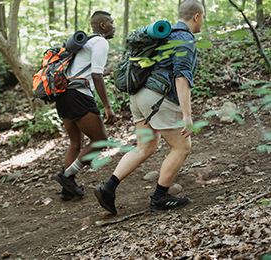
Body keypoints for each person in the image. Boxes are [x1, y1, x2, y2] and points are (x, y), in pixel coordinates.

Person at [94, 0, 205, 215]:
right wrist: (187, 115)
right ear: (196, 17)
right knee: (182, 147)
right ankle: (160, 197)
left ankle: (108, 188)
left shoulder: (163, 34)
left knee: (145, 147)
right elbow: (181, 78)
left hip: (138, 97)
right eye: (203, 18)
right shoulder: (184, 38)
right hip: (158, 98)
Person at [54, 11, 116, 200]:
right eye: (112, 22)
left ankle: (67, 190)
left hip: (63, 94)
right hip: (78, 94)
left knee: (76, 143)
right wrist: (107, 105)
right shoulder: (100, 42)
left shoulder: (84, 43)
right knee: (100, 140)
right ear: (103, 26)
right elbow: (97, 74)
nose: (114, 26)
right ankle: (67, 176)